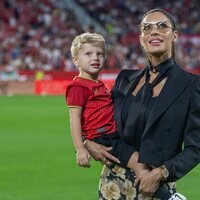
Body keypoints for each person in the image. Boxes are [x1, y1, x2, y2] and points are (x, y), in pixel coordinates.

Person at [83, 8, 200, 200]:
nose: (154, 31)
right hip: (112, 184)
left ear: (175, 35)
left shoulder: (192, 85)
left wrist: (161, 173)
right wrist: (86, 142)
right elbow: (98, 121)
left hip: (154, 187)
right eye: (147, 28)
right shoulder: (124, 79)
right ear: (141, 39)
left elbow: (195, 148)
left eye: (162, 26)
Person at [65, 32, 182, 200]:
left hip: (113, 135)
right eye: (88, 54)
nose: (95, 58)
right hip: (106, 138)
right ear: (76, 60)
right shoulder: (78, 87)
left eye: (100, 54)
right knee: (140, 164)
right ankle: (170, 197)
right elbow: (74, 118)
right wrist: (81, 147)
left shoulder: (100, 85)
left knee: (144, 162)